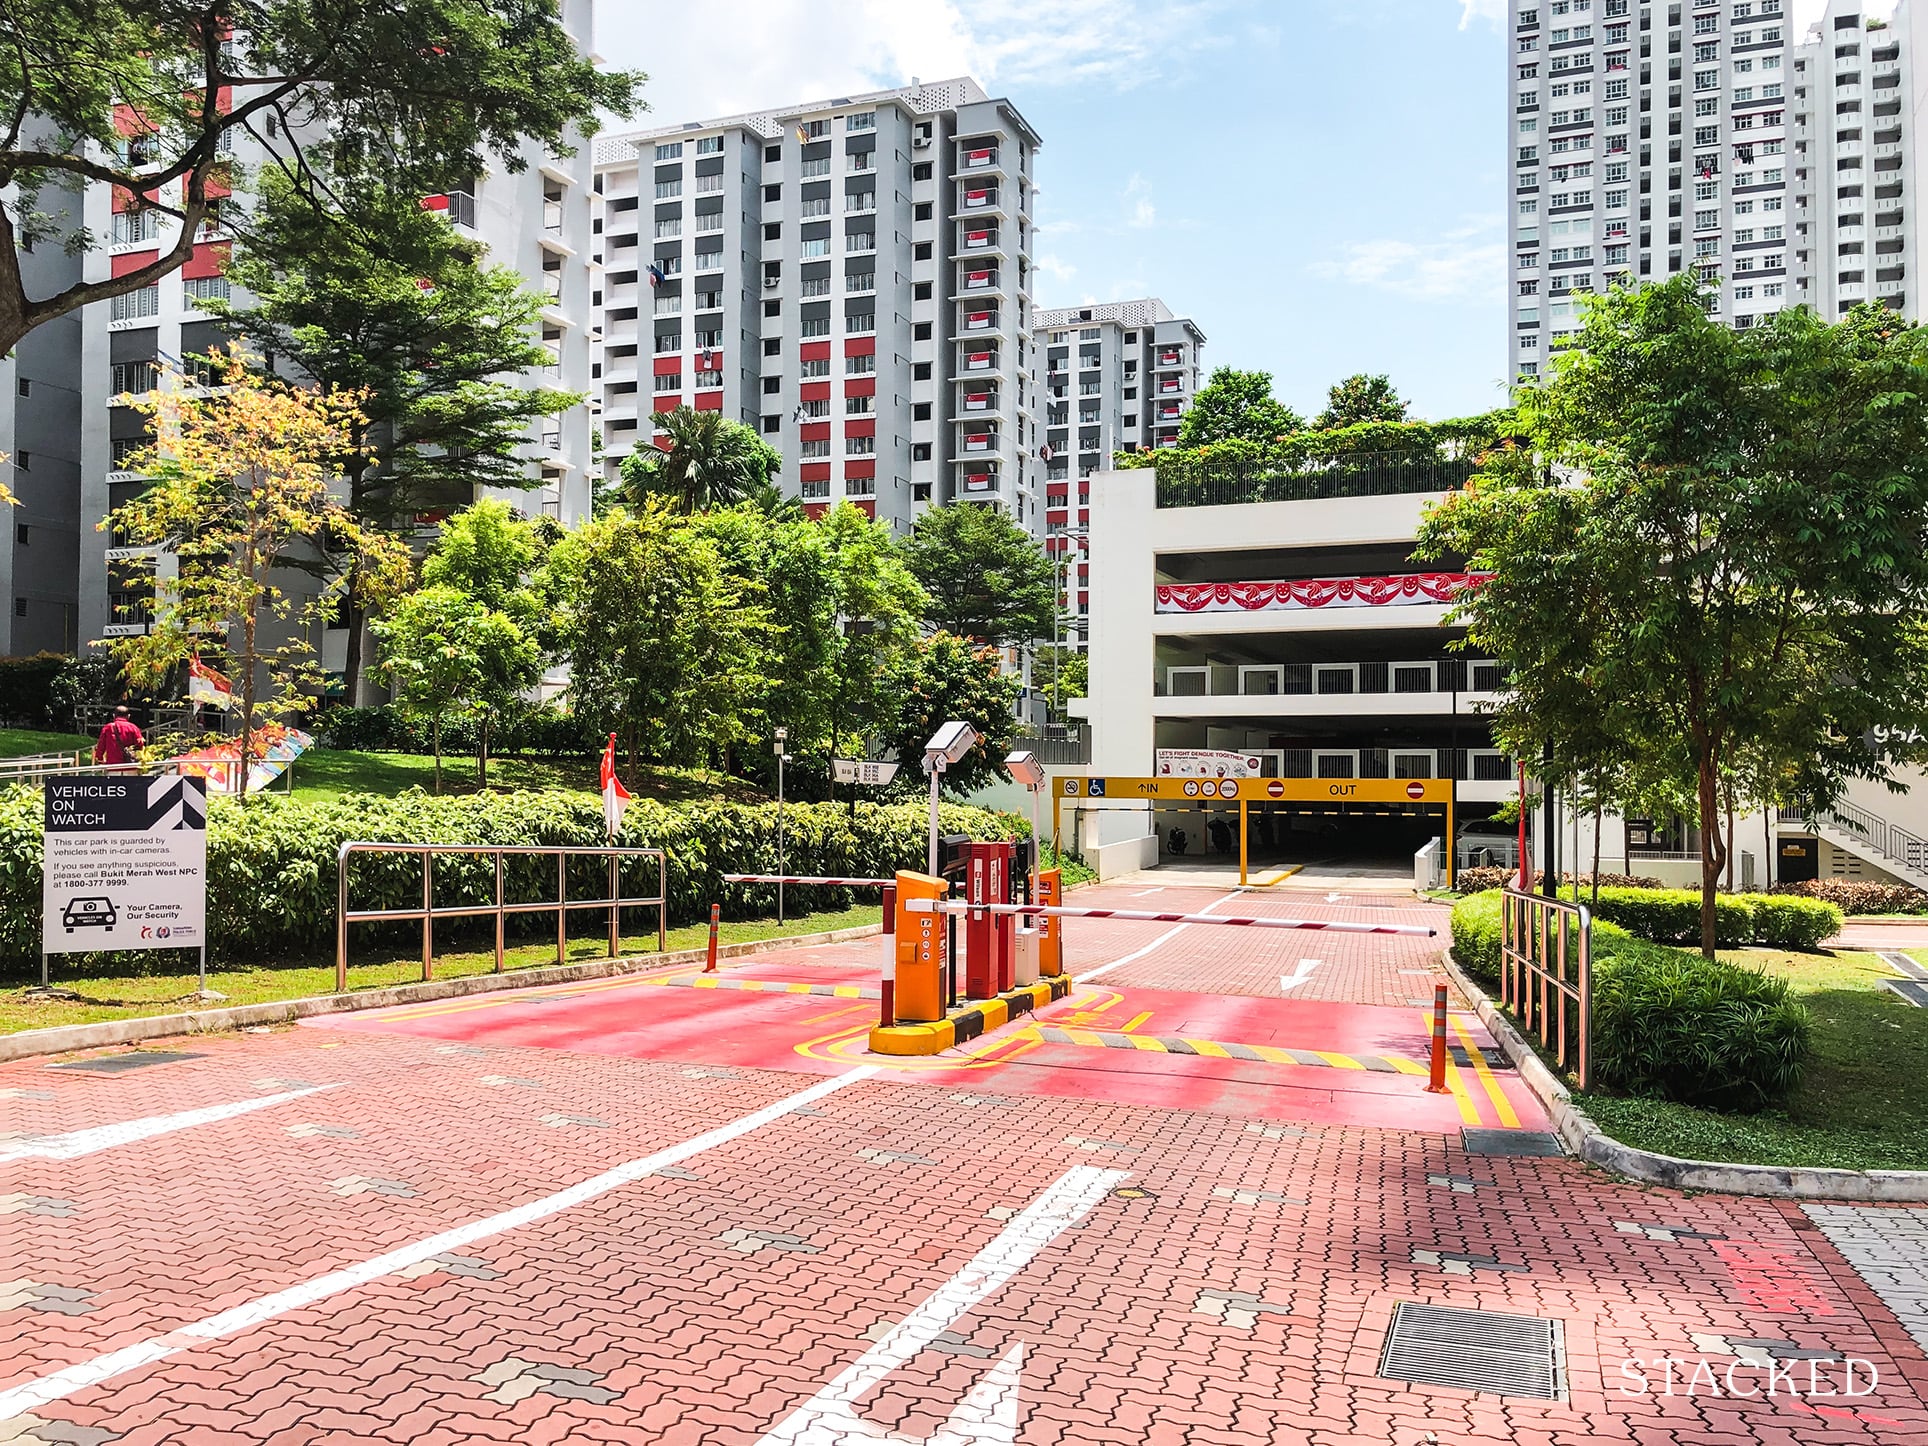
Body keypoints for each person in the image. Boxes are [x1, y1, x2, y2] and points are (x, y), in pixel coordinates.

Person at [93, 705, 144, 772]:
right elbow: (140, 744)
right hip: (130, 766)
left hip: (113, 766)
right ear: (128, 716)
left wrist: (99, 760)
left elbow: (101, 746)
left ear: (114, 716)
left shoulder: (108, 728)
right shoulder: (133, 727)